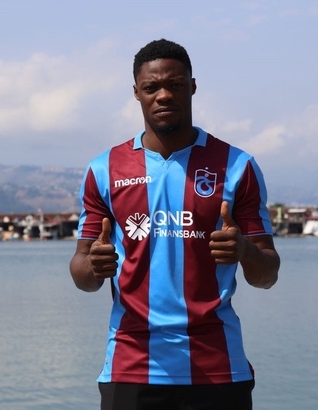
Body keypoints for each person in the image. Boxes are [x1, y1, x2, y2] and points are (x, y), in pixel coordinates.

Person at [69, 38, 280, 410]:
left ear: (192, 86)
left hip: (218, 369)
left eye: (175, 85)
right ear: (136, 93)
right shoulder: (104, 169)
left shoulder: (237, 166)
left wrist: (245, 250)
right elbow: (83, 276)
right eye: (151, 87)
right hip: (131, 368)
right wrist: (94, 266)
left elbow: (267, 275)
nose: (164, 95)